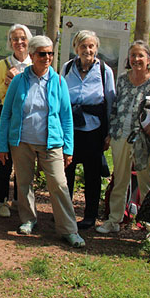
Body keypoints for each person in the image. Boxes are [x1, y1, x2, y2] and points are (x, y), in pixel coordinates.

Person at [0, 35, 85, 248]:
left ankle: (69, 230)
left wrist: (68, 147)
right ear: (32, 55)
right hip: (22, 141)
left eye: (50, 54)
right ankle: (28, 220)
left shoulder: (58, 81)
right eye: (42, 54)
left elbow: (66, 116)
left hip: (51, 143)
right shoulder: (19, 80)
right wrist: (2, 145)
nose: (47, 58)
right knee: (24, 182)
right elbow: (6, 113)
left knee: (59, 185)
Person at [97, 41, 150, 234]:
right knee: (120, 179)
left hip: (146, 140)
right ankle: (114, 220)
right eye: (133, 56)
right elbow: (114, 108)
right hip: (121, 136)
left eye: (140, 56)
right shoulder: (122, 79)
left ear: (148, 59)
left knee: (148, 181)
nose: (136, 59)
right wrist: (110, 134)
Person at [63, 30, 116, 230]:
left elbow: (110, 102)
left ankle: (90, 215)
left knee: (92, 175)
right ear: (76, 48)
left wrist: (109, 133)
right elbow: (60, 97)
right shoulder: (67, 68)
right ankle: (65, 212)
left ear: (96, 48)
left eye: (91, 46)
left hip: (94, 130)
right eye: (83, 46)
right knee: (66, 172)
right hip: (70, 129)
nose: (88, 50)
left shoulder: (104, 71)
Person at [0, 23, 32, 218]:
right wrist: (7, 81)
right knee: (4, 160)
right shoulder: (3, 64)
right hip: (7, 116)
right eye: (15, 39)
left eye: (22, 38)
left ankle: (18, 199)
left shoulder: (35, 64)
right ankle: (1, 201)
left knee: (24, 162)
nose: (19, 42)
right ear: (10, 42)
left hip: (29, 118)